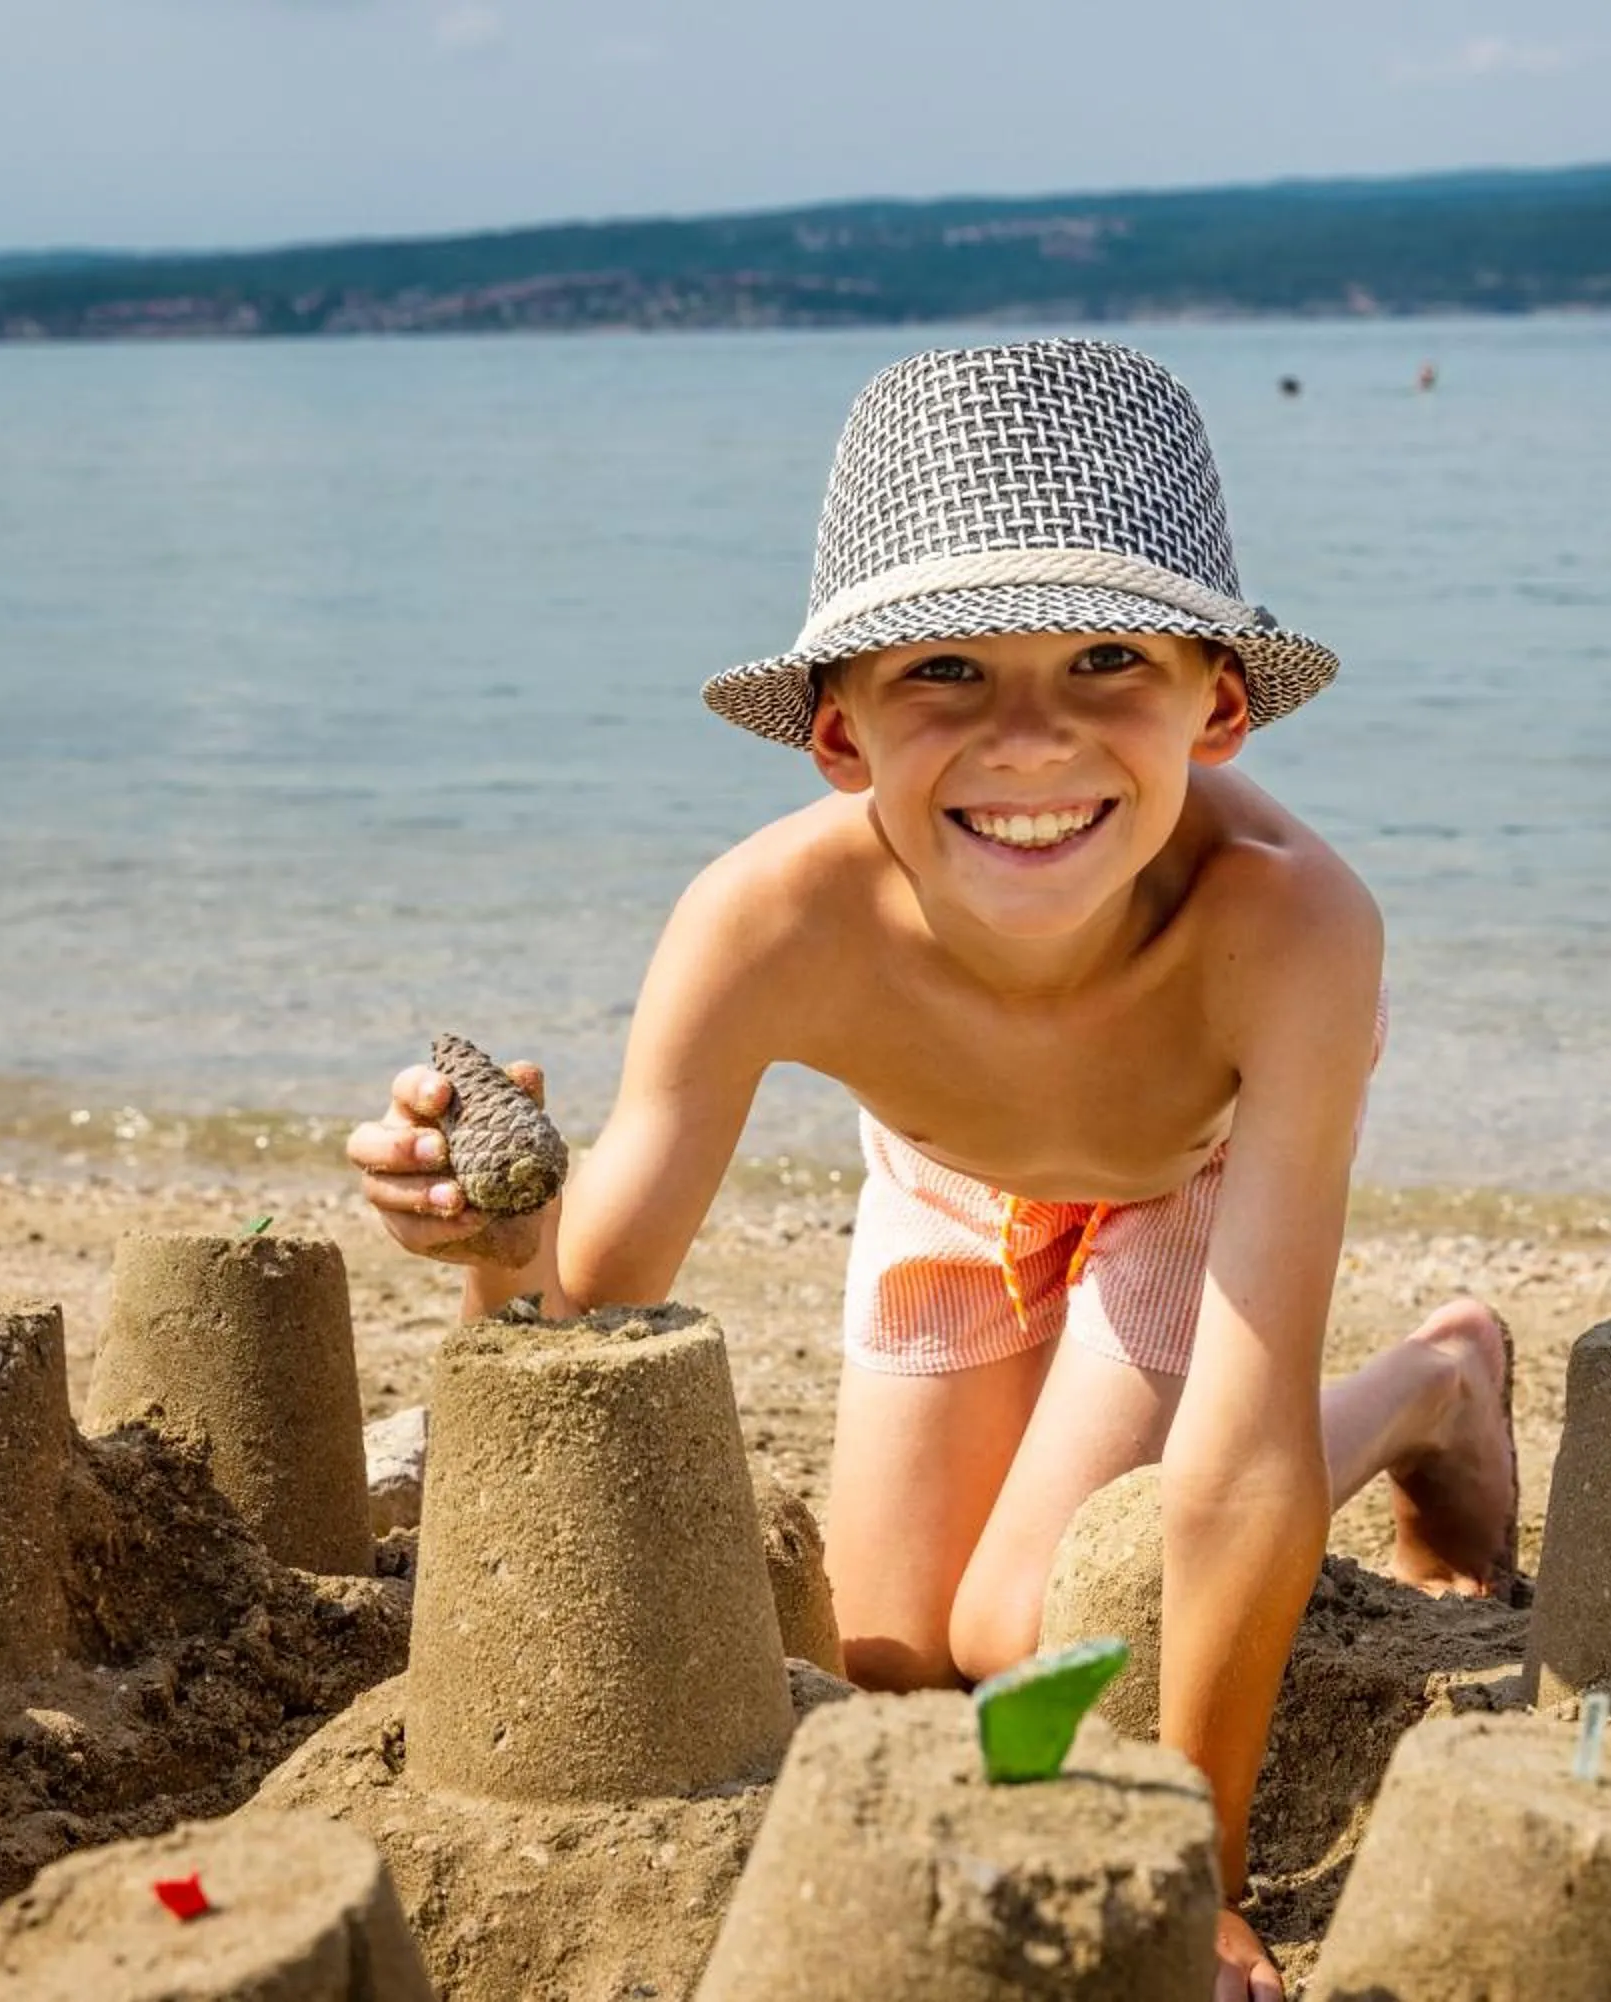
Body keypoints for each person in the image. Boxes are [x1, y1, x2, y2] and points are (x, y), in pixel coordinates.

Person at [351, 340, 1517, 2002]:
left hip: (1189, 1173)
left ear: (1222, 702)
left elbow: (1241, 1450)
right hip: (951, 1184)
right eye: (946, 672)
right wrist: (493, 1234)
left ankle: (1431, 1384)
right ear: (839, 735)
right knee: (891, 1665)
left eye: (1108, 656)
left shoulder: (1288, 928)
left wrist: (1200, 1859)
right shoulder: (766, 927)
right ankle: (1267, 1392)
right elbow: (584, 1309)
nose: (1031, 742)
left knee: (1027, 1634)